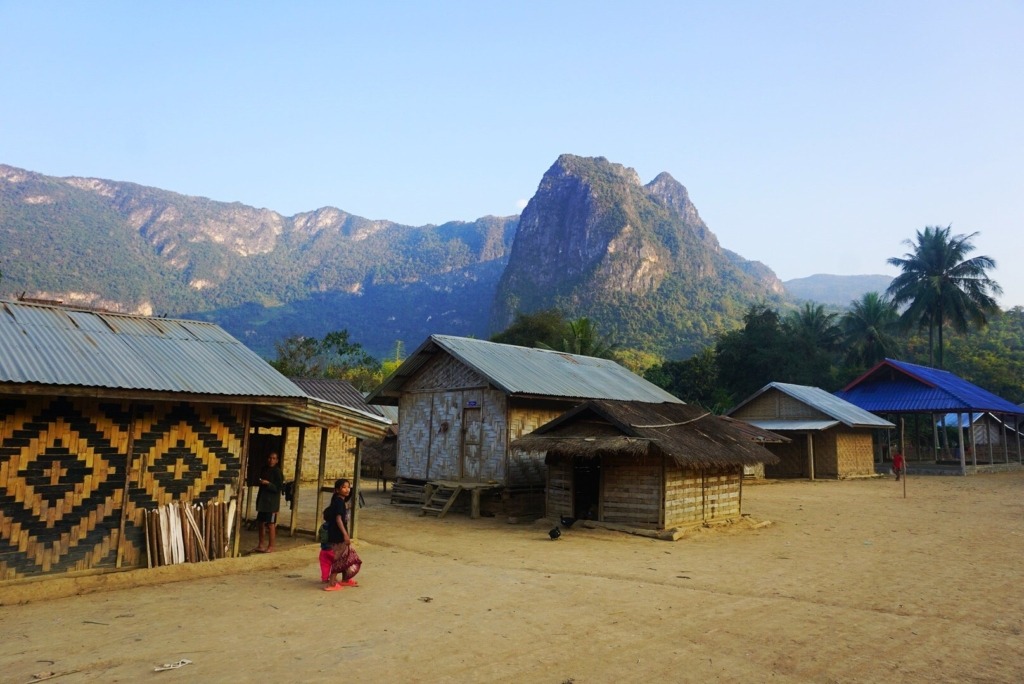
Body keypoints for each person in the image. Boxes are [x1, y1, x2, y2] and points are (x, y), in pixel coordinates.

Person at [324, 478, 362, 591]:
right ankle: (331, 583)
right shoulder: (339, 502)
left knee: (347, 556)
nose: (347, 489)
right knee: (339, 557)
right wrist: (345, 534)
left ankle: (345, 579)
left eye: (348, 487)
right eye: (344, 487)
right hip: (338, 534)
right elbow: (338, 519)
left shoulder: (339, 501)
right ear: (337, 490)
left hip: (337, 533)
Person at [253, 452, 284, 552]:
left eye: (274, 458)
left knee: (271, 524)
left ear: (277, 460)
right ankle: (261, 544)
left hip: (272, 503)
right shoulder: (265, 469)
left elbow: (279, 488)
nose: (271, 460)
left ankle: (271, 546)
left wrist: (269, 484)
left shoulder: (277, 472)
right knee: (261, 523)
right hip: (263, 502)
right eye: (270, 458)